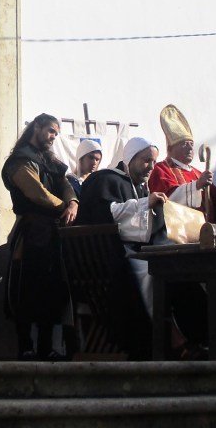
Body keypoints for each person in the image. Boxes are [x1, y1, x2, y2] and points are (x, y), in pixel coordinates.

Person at [76, 137, 165, 358]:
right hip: (104, 258)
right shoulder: (105, 180)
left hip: (132, 253)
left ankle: (180, 338)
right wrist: (145, 204)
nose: (151, 167)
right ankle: (154, 339)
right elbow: (107, 214)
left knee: (174, 271)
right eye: (146, 160)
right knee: (151, 273)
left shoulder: (139, 188)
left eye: (154, 162)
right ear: (131, 158)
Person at [1, 113, 78, 360]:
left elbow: (64, 183)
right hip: (31, 233)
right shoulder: (20, 160)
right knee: (27, 289)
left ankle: (46, 348)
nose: (53, 136)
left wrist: (73, 202)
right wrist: (63, 207)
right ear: (37, 127)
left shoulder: (49, 159)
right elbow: (37, 193)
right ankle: (25, 347)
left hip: (52, 233)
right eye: (50, 131)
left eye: (56, 133)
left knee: (51, 291)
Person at [148, 104, 216, 212]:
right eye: (184, 144)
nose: (190, 148)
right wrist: (197, 185)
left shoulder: (198, 173)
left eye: (191, 144)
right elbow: (167, 200)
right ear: (171, 148)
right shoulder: (161, 169)